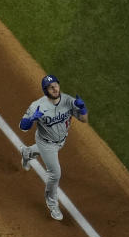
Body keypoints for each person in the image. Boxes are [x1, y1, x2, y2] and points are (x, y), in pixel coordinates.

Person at [19, 74, 88, 221]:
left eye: (56, 84)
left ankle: (28, 152)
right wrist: (31, 119)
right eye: (51, 87)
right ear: (45, 90)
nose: (55, 88)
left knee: (44, 152)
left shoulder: (68, 100)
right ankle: (52, 204)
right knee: (55, 174)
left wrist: (82, 108)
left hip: (61, 141)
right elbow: (22, 127)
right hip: (45, 143)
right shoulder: (37, 106)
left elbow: (84, 120)